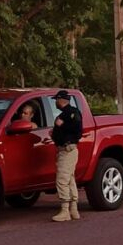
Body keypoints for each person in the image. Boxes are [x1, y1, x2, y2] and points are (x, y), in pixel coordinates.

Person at [50, 89, 82, 222]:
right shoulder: (64, 114)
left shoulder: (71, 113)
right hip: (64, 149)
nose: (56, 102)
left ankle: (65, 210)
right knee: (69, 179)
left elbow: (77, 128)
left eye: (57, 100)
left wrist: (62, 126)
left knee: (62, 179)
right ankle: (73, 209)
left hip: (68, 149)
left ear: (62, 100)